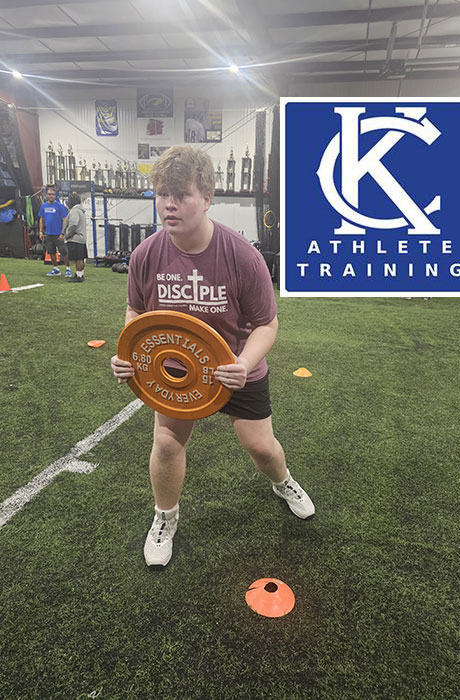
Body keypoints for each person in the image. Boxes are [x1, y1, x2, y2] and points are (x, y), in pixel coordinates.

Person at [110, 146, 314, 568]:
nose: (169, 204)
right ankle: (165, 517)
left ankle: (284, 482)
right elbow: (137, 312)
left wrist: (243, 363)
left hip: (235, 370)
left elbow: (266, 324)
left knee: (260, 448)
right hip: (176, 370)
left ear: (206, 198)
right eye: (162, 193)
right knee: (166, 444)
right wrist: (127, 351)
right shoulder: (145, 254)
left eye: (181, 194)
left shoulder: (242, 255)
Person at [38, 185, 72, 278]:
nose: (51, 196)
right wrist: (41, 232)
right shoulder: (43, 206)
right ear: (46, 195)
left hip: (58, 234)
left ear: (55, 195)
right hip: (49, 234)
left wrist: (63, 233)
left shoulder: (60, 207)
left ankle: (68, 269)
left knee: (64, 252)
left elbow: (64, 220)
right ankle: (56, 269)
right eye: (49, 194)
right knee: (51, 252)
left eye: (53, 194)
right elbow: (41, 219)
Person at [64, 193, 88, 283]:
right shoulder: (81, 211)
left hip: (76, 238)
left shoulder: (74, 211)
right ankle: (80, 274)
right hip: (81, 238)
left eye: (69, 201)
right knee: (81, 258)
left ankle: (78, 276)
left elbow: (73, 224)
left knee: (78, 258)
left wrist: (67, 235)